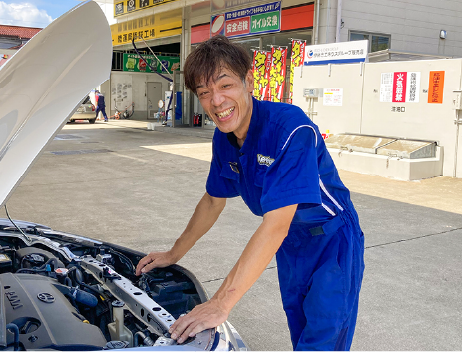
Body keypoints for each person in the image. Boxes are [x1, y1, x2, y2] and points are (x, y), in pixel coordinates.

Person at [135, 36, 365, 352]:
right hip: (291, 244)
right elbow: (214, 199)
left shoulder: (290, 129)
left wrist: (220, 304)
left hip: (331, 240)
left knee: (324, 338)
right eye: (204, 93)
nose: (216, 101)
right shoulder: (224, 137)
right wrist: (174, 253)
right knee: (300, 329)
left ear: (248, 81)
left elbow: (275, 225)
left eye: (225, 85)